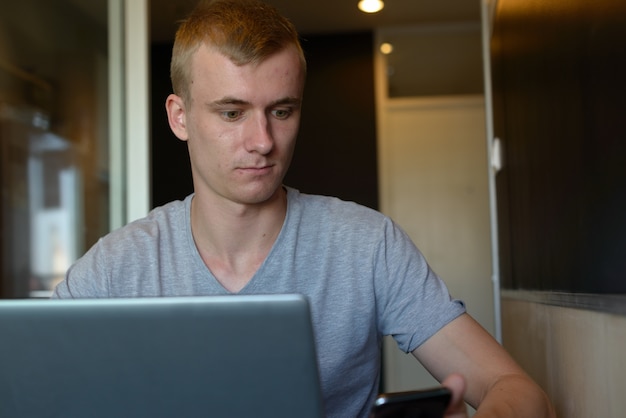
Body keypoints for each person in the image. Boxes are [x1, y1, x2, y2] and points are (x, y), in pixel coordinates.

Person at [52, 0, 555, 417]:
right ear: (179, 117)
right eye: (232, 112)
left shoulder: (366, 243)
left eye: (282, 111)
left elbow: (518, 391)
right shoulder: (118, 267)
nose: (263, 141)